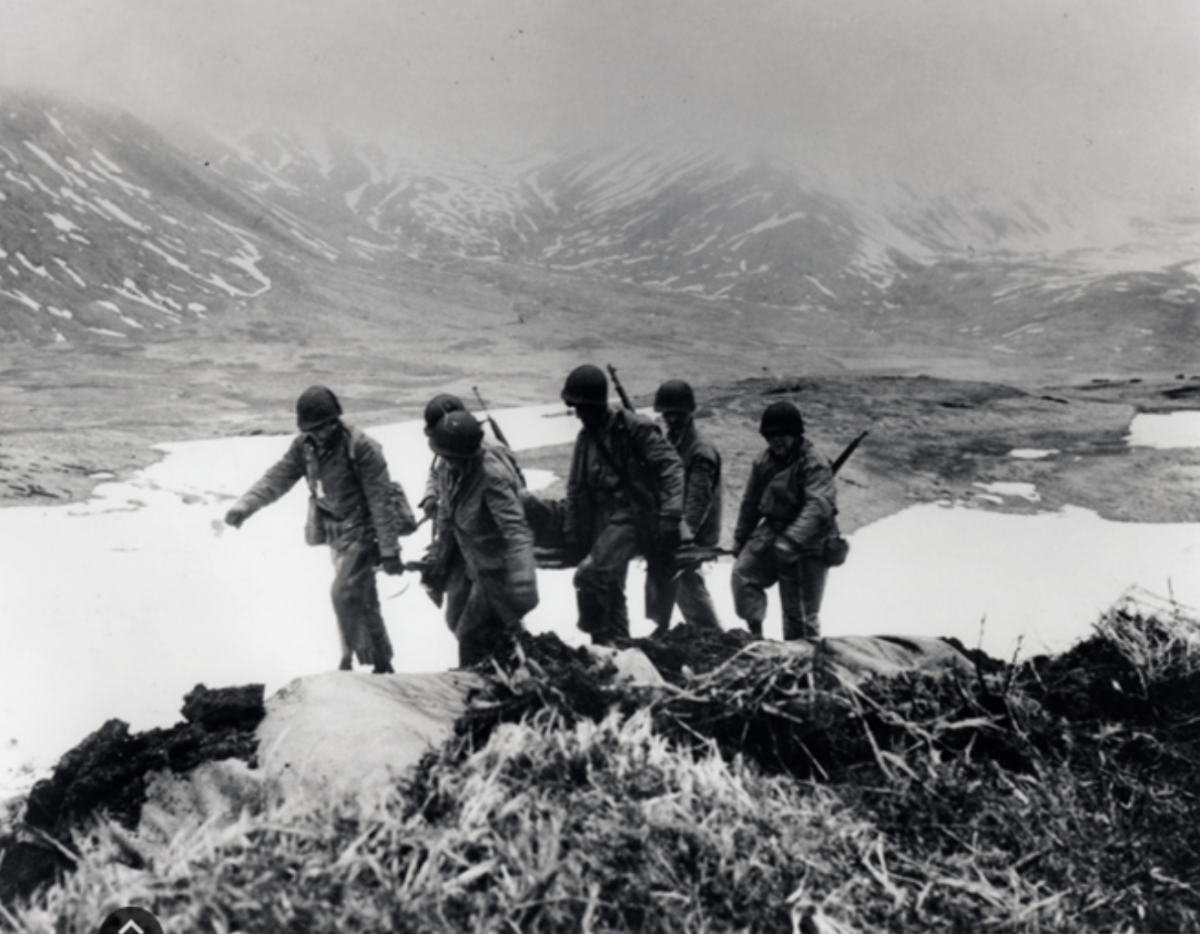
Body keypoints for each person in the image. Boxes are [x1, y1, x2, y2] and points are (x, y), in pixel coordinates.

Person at [224, 386, 409, 673]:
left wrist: (389, 550)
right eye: (313, 429)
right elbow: (279, 476)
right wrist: (245, 506)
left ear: (335, 420)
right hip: (335, 532)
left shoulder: (362, 448)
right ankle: (382, 663)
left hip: (363, 530)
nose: (321, 434)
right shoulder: (305, 446)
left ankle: (347, 661)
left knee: (343, 593)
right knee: (361, 596)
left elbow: (381, 502)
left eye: (326, 426)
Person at [560, 364, 685, 644]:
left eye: (582, 407)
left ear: (596, 404)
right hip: (601, 517)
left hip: (632, 514)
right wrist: (572, 532)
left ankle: (600, 636)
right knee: (611, 588)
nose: (578, 414)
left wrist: (671, 514)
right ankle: (614, 647)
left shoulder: (634, 428)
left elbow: (671, 468)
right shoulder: (586, 438)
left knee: (589, 575)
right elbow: (575, 488)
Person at [422, 409, 538, 667]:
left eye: (452, 459)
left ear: (468, 456)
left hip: (499, 571)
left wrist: (523, 580)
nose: (447, 464)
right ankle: (499, 666)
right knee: (455, 621)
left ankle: (476, 685)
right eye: (445, 458)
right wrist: (438, 557)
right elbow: (447, 514)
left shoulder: (491, 476)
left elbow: (516, 530)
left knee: (470, 633)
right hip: (475, 564)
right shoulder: (450, 467)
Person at [731, 400, 839, 640]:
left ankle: (804, 661)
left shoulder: (814, 463)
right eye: (770, 436)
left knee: (798, 615)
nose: (776, 441)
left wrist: (792, 540)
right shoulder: (763, 462)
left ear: (795, 435)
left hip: (810, 541)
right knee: (744, 575)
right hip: (775, 529)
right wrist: (740, 540)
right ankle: (755, 637)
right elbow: (751, 504)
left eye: (782, 435)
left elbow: (818, 506)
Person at [653, 379, 723, 632]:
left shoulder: (700, 451)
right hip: (679, 525)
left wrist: (683, 536)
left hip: (697, 531)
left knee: (682, 573)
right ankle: (663, 625)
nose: (671, 419)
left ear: (688, 413)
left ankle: (709, 631)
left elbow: (697, 501)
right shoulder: (673, 442)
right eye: (667, 414)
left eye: (677, 414)